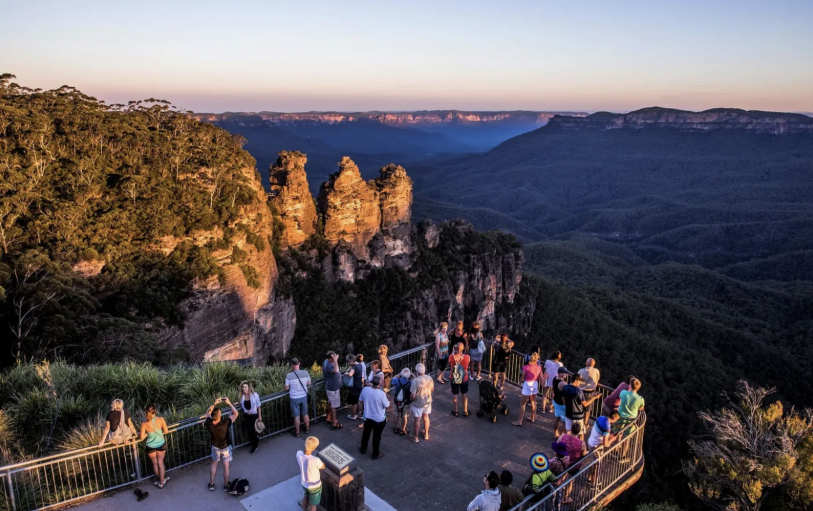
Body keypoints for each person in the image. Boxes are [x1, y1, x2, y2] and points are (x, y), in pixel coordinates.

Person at [204, 397, 238, 491]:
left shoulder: (209, 423)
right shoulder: (225, 423)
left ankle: (211, 484)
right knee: (226, 466)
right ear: (219, 415)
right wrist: (229, 404)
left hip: (215, 447)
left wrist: (214, 403)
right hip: (226, 447)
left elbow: (207, 412)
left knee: (214, 464)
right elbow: (236, 414)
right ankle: (226, 485)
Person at [560, 373, 601, 438]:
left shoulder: (565, 387)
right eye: (580, 381)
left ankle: (567, 444)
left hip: (568, 413)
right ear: (576, 380)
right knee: (581, 433)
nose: (581, 383)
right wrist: (594, 398)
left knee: (568, 431)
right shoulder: (578, 391)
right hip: (578, 416)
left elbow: (563, 399)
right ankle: (579, 446)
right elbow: (585, 404)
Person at [359, 375, 389, 460]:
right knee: (377, 436)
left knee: (365, 433)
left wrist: (361, 411)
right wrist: (385, 394)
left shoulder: (365, 390)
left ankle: (363, 449)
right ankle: (375, 453)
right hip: (379, 419)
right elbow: (386, 405)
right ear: (379, 383)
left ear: (372, 382)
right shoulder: (381, 394)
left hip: (367, 417)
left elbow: (360, 401)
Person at [140, 404, 169, 488]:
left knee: (155, 463)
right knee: (160, 463)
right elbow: (166, 431)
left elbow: (142, 437)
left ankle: (160, 479)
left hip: (150, 446)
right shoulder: (161, 419)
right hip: (160, 444)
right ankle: (162, 482)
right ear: (155, 411)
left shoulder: (144, 424)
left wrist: (147, 433)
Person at [587, 413, 619, 487]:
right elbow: (605, 444)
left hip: (590, 442)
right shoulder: (607, 427)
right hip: (596, 447)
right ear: (614, 419)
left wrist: (609, 436)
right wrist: (613, 439)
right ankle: (593, 483)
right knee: (596, 465)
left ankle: (589, 479)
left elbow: (600, 432)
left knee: (592, 462)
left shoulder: (601, 417)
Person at [513, 351, 544, 426]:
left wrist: (519, 383)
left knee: (522, 404)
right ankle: (532, 417)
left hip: (527, 384)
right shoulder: (539, 367)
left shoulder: (526, 367)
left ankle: (520, 420)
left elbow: (522, 377)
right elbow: (541, 378)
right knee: (533, 402)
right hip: (535, 384)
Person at [297, 436, 326, 511]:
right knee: (313, 504)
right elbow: (323, 467)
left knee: (306, 496)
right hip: (315, 486)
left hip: (304, 483)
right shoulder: (315, 460)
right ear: (313, 448)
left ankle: (304, 509)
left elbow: (300, 453)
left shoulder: (299, 454)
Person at [285, 358, 312, 437]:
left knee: (296, 416)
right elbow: (309, 383)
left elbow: (286, 388)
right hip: (304, 396)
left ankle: (297, 433)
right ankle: (307, 429)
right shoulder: (305, 373)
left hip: (294, 398)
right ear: (299, 363)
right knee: (305, 414)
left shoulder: (289, 376)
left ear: (292, 365)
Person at [409, 363, 434, 443]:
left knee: (417, 419)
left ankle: (415, 437)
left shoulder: (415, 381)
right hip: (427, 401)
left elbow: (412, 396)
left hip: (418, 403)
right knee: (426, 417)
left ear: (417, 371)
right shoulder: (429, 378)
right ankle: (426, 434)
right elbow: (432, 389)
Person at [237, 381, 262, 454]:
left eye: (245, 387)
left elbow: (259, 406)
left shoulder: (255, 395)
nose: (244, 388)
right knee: (249, 431)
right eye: (243, 387)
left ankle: (255, 446)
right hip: (246, 416)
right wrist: (237, 403)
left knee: (252, 431)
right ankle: (255, 440)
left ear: (249, 388)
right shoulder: (242, 396)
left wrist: (260, 416)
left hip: (253, 415)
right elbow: (243, 404)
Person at [448, 342, 471, 417]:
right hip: (464, 378)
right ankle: (465, 411)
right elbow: (468, 363)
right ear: (463, 348)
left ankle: (456, 411)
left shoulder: (452, 357)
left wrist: (453, 352)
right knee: (464, 394)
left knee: (455, 394)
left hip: (454, 377)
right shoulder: (467, 357)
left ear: (456, 348)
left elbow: (450, 363)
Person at [322, 351, 343, 430]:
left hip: (329, 386)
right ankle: (334, 424)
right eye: (333, 356)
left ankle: (328, 418)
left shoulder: (325, 361)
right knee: (334, 406)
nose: (335, 357)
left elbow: (322, 369)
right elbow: (336, 370)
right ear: (330, 358)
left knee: (330, 402)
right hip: (333, 388)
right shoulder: (330, 365)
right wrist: (336, 361)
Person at [577, 358, 601, 426]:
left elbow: (578, 380)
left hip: (581, 391)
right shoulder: (596, 371)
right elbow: (597, 379)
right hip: (591, 392)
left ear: (586, 363)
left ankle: (578, 421)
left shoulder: (581, 371)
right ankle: (585, 423)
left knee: (579, 407)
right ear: (594, 364)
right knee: (588, 409)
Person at [391, 368, 413, 435]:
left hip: (396, 400)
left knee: (396, 414)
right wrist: (412, 375)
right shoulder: (411, 382)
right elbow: (415, 380)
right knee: (404, 415)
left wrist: (399, 374)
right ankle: (402, 429)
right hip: (405, 401)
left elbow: (392, 380)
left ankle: (396, 428)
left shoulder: (397, 380)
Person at [551, 367, 571, 437]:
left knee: (556, 418)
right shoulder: (563, 384)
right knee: (564, 421)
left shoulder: (554, 378)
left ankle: (555, 433)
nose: (566, 374)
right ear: (560, 374)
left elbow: (553, 389)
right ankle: (562, 436)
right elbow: (565, 396)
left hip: (555, 401)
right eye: (565, 373)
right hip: (562, 404)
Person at [345, 354, 364, 421]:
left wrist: (346, 374)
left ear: (351, 361)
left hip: (354, 386)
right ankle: (360, 414)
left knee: (354, 402)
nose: (348, 363)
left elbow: (350, 374)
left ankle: (353, 415)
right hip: (359, 385)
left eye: (348, 361)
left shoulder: (354, 367)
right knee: (359, 400)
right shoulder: (360, 365)